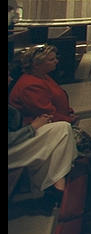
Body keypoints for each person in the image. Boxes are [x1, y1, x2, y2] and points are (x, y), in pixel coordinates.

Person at [8, 72, 78, 205]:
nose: (11, 79)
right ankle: (56, 185)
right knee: (61, 132)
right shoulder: (28, 84)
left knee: (62, 129)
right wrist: (32, 127)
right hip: (11, 146)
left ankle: (56, 184)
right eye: (7, 76)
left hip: (17, 138)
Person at [9, 45, 76, 125]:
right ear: (36, 64)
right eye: (51, 60)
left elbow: (58, 98)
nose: (56, 61)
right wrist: (69, 120)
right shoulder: (30, 85)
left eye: (55, 58)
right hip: (39, 126)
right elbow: (45, 113)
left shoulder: (43, 76)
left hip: (58, 119)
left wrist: (69, 112)